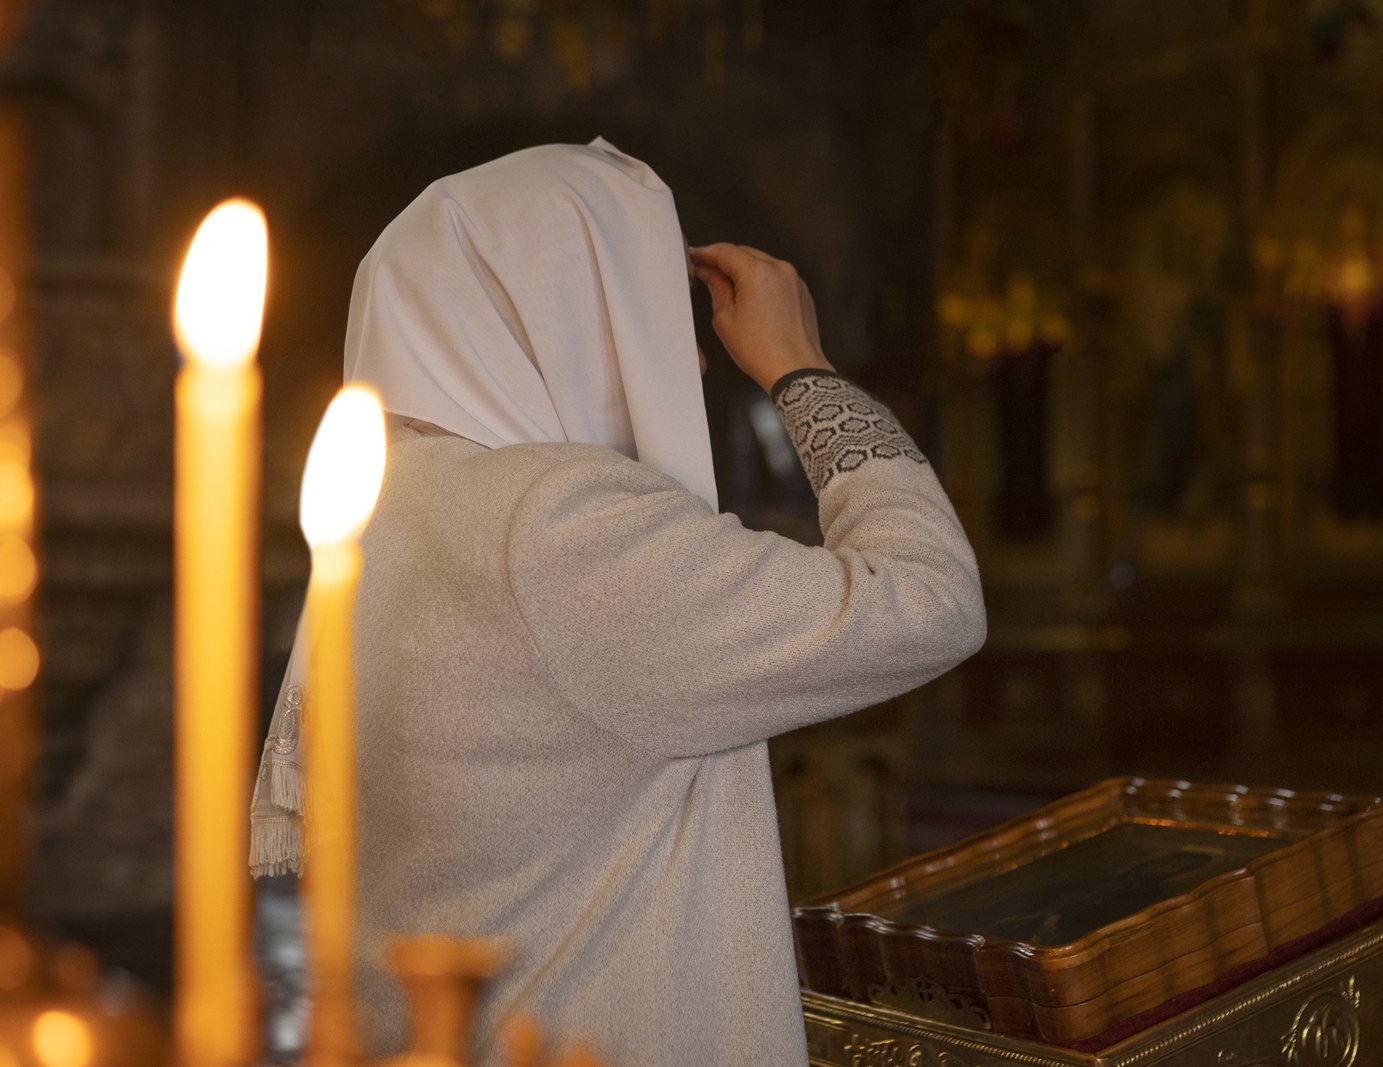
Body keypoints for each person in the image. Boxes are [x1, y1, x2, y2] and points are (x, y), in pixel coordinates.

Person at [249, 138, 985, 1067]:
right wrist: (803, 367)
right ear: (572, 316)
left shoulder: (378, 517)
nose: (695, 361)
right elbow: (930, 598)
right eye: (648, 313)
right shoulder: (552, 523)